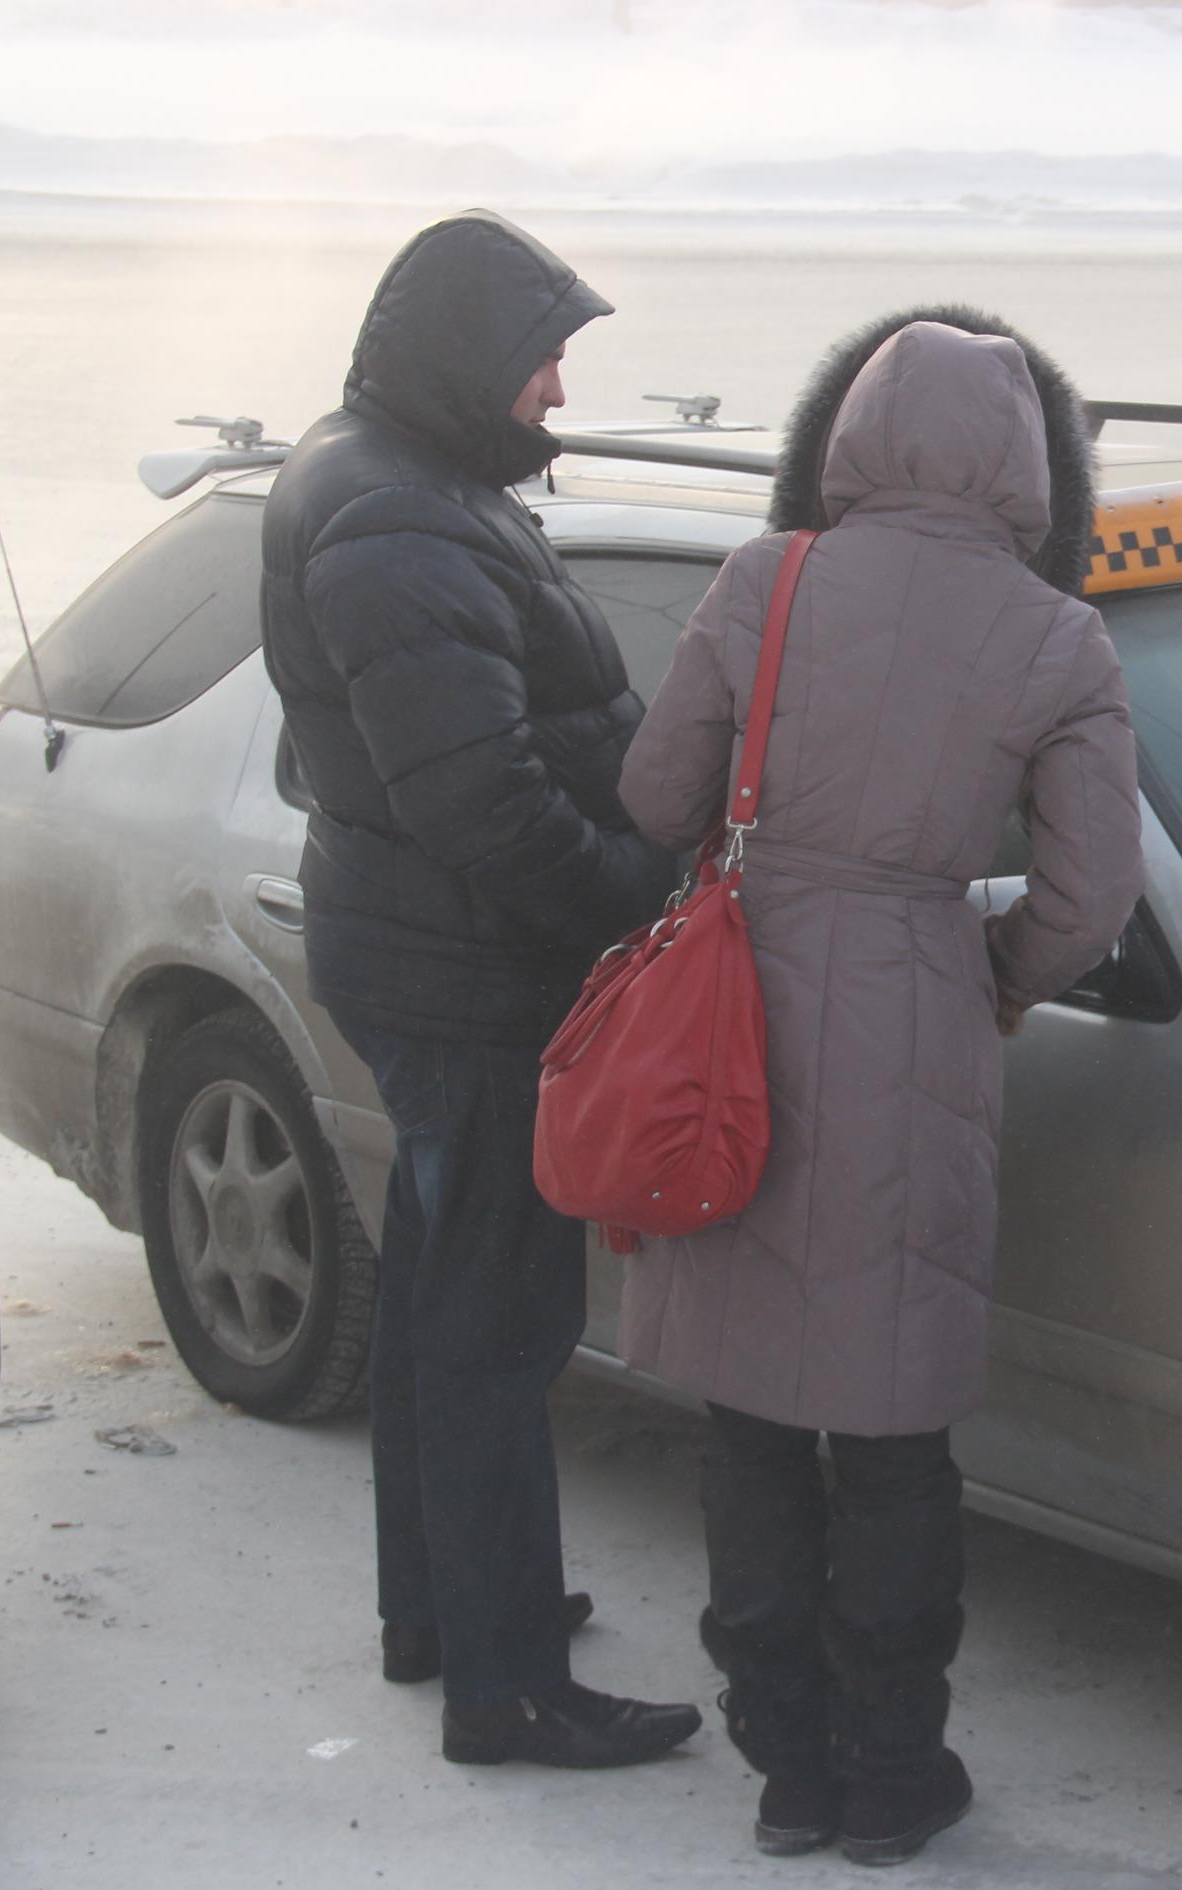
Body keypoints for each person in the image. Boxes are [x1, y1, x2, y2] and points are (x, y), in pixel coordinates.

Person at [616, 308, 1141, 1863]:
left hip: (739, 1015)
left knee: (754, 1415)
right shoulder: (1060, 637)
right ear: (1027, 463)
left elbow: (656, 793)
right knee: (896, 1427)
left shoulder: (766, 580)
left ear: (853, 429)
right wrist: (988, 976)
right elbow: (1090, 899)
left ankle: (784, 1766)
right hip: (919, 1011)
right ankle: (894, 1775)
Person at [259, 210, 700, 1769]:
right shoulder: (394, 520)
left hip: (432, 953)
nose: (559, 397)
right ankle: (506, 1684)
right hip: (470, 974)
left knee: (442, 1301)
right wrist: (638, 909)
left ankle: (444, 1612)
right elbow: (483, 802)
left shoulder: (403, 479)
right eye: (542, 363)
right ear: (465, 360)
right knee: (498, 1326)